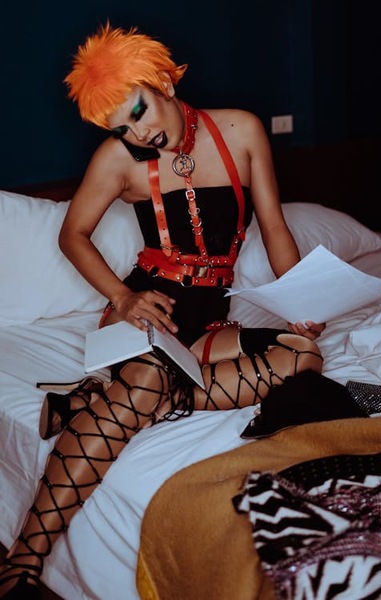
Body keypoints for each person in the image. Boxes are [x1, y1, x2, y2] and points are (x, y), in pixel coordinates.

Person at [0, 22, 325, 598]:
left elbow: (274, 225)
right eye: (121, 128)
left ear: (163, 83)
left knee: (303, 357)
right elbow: (72, 234)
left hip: (211, 318)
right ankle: (21, 565)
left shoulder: (242, 130)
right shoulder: (117, 159)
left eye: (139, 112)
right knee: (149, 377)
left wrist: (301, 298)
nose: (138, 133)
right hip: (150, 310)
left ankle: (90, 402)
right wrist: (123, 297)